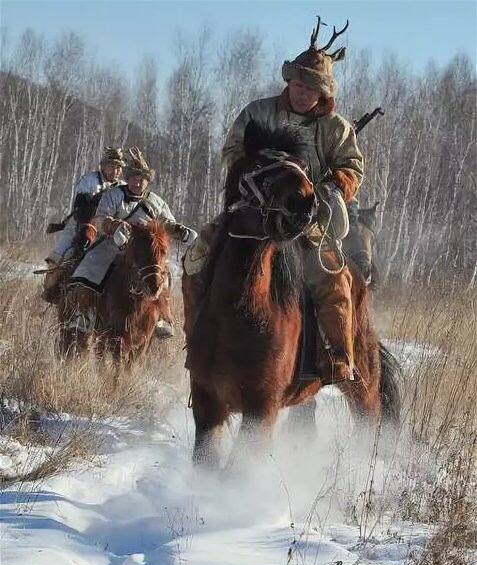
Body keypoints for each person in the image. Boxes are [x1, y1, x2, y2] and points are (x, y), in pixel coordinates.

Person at [184, 17, 363, 384]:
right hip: (251, 210)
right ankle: (196, 339)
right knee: (196, 257)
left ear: (323, 94)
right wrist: (253, 175)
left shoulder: (337, 129)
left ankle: (337, 356)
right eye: (298, 84)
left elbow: (351, 167)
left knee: (333, 277)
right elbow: (233, 149)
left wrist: (329, 186)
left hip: (306, 219)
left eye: (310, 89)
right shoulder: (257, 112)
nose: (302, 93)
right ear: (289, 82)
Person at [67, 147, 186, 340]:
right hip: (112, 244)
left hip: (145, 250)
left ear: (148, 181)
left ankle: (163, 317)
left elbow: (167, 222)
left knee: (164, 273)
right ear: (128, 178)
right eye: (135, 178)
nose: (138, 182)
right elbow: (101, 218)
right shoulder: (114, 195)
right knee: (89, 266)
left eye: (143, 179)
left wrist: (178, 230)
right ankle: (85, 312)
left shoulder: (156, 202)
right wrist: (114, 225)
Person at [42, 146, 126, 302]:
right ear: (103, 166)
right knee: (62, 252)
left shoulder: (122, 187)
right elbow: (81, 206)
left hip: (108, 227)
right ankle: (51, 288)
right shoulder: (90, 180)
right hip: (82, 221)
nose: (115, 171)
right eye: (112, 167)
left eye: (118, 168)